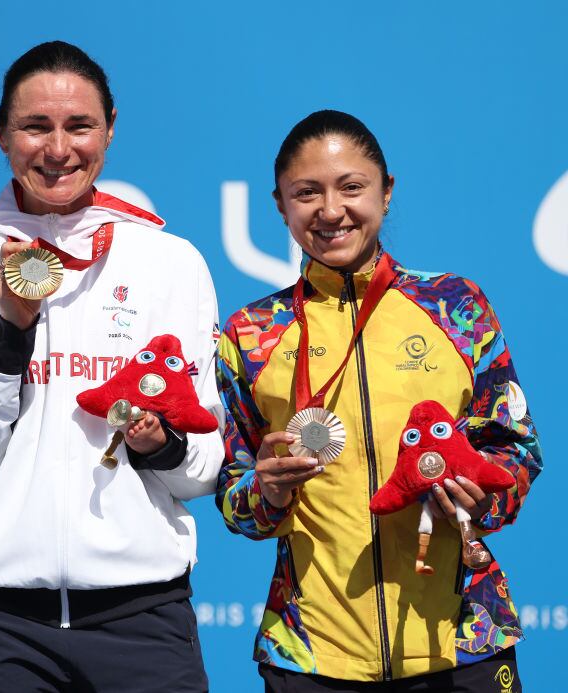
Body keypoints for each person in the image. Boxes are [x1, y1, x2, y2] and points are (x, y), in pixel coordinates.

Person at [0, 40, 222, 692]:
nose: (57, 149)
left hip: (144, 617)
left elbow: (202, 468)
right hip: (1, 628)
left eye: (79, 126)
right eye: (34, 126)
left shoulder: (171, 263)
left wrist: (161, 445)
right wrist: (10, 335)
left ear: (110, 127)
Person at [215, 110, 541, 692]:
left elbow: (517, 449)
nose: (331, 210)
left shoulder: (456, 308)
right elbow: (230, 486)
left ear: (386, 193)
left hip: (462, 644)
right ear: (280, 205)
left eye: (352, 187)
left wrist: (482, 494)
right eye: (306, 193)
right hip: (313, 656)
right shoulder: (250, 334)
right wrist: (263, 492)